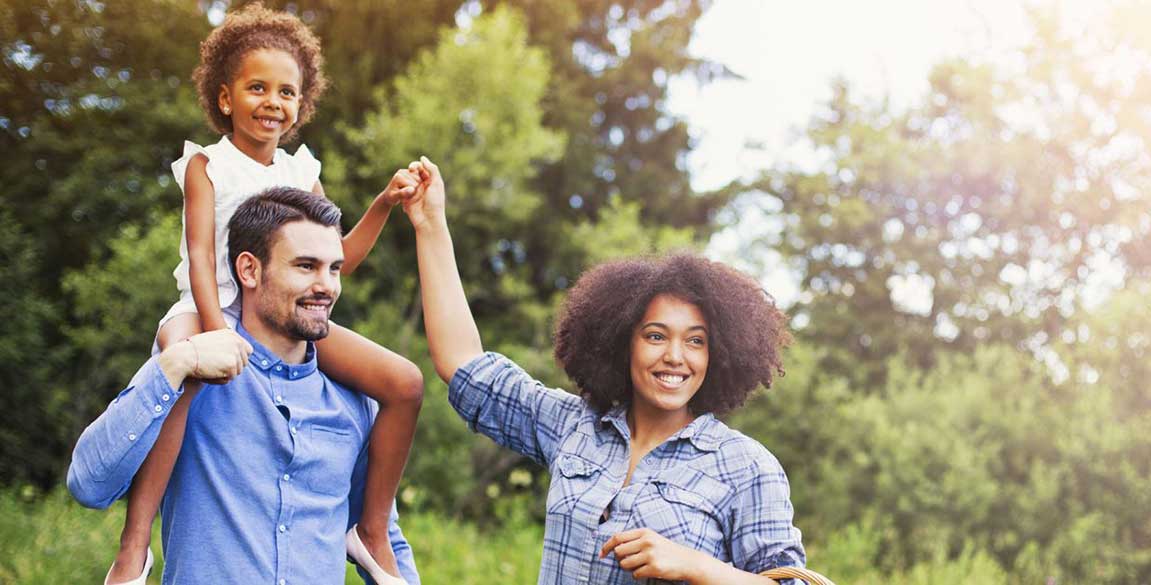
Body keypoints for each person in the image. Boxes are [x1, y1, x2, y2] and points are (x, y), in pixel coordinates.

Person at [100, 4, 422, 584]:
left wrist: (384, 202)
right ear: (226, 98)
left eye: (287, 92)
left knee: (404, 382)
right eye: (257, 88)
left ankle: (369, 527)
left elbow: (339, 254)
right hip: (207, 304)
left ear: (302, 103)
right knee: (178, 376)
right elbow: (200, 254)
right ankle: (135, 543)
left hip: (280, 314)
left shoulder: (302, 172)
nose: (273, 102)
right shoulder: (207, 165)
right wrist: (212, 333)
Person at [400, 158, 807, 584]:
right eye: (655, 336)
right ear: (621, 342)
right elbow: (462, 364)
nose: (675, 356)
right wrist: (430, 225)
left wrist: (698, 566)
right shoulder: (573, 426)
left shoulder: (744, 466)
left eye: (695, 341)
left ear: (717, 354)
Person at [68, 187, 421, 584]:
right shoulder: (190, 380)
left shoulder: (353, 402)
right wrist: (174, 364)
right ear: (249, 270)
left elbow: (382, 534)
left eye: (334, 268)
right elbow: (89, 485)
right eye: (306, 266)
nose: (327, 286)